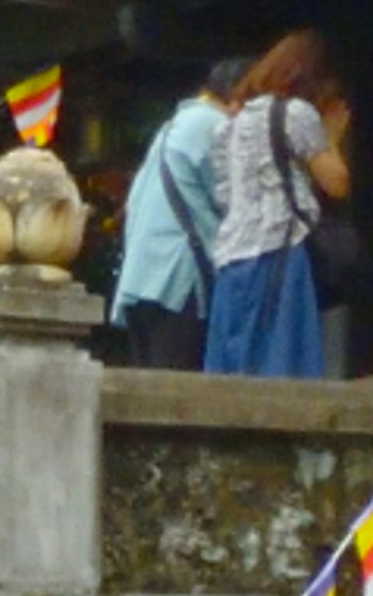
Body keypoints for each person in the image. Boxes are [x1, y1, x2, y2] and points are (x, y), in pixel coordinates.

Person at [204, 30, 352, 379]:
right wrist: (331, 137)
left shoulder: (231, 125)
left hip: (232, 258)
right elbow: (337, 183)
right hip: (279, 251)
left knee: (236, 371)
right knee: (283, 367)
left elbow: (224, 195)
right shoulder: (296, 114)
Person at [112, 58, 242, 370]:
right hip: (178, 280)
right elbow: (237, 202)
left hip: (141, 278)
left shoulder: (171, 128)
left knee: (149, 393)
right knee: (178, 394)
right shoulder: (214, 126)